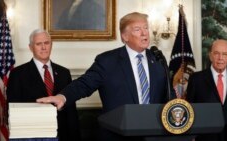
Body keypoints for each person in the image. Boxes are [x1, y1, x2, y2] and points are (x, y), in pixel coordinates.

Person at [37, 12, 174, 141]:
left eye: (146, 28)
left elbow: (169, 96)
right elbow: (84, 84)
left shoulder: (158, 60)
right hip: (118, 135)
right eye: (137, 29)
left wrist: (180, 126)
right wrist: (62, 97)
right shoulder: (108, 61)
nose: (144, 33)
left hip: (153, 135)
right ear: (124, 36)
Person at [6, 29, 80, 141]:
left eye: (46, 43)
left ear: (51, 45)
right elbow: (14, 111)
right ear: (31, 47)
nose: (43, 47)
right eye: (38, 44)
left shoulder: (64, 73)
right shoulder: (18, 74)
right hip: (33, 136)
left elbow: (71, 112)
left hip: (62, 135)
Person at [186, 39, 227, 141]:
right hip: (205, 137)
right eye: (216, 53)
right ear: (210, 55)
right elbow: (190, 109)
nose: (220, 58)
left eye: (225, 54)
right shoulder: (196, 79)